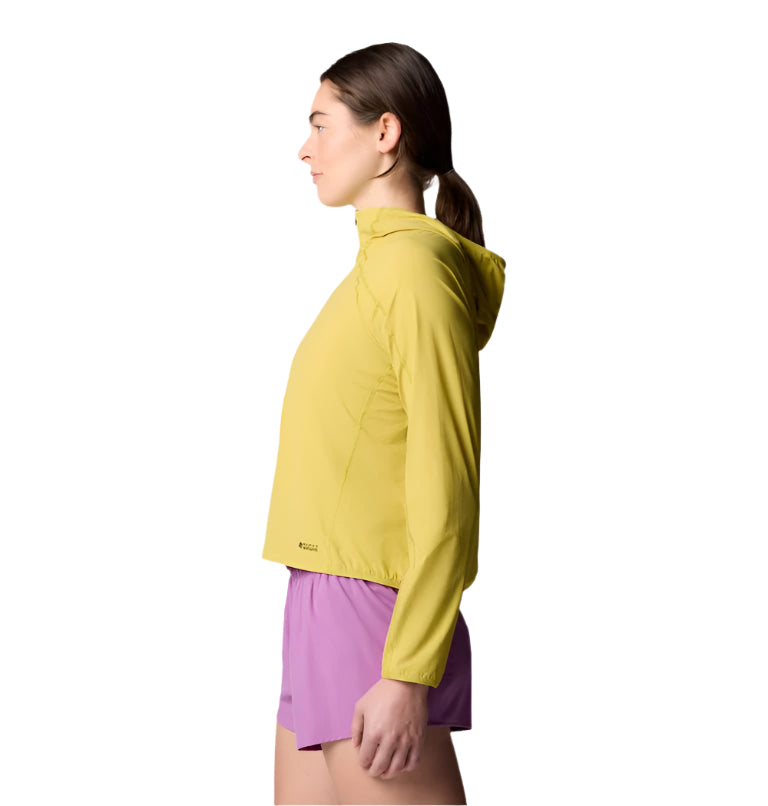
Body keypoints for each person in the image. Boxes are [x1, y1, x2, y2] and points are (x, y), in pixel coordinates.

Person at [262, 42, 506, 805]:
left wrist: (408, 669)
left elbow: (448, 484)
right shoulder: (375, 273)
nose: (305, 148)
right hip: (320, 596)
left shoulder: (412, 272)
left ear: (385, 133)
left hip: (373, 610)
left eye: (320, 124)